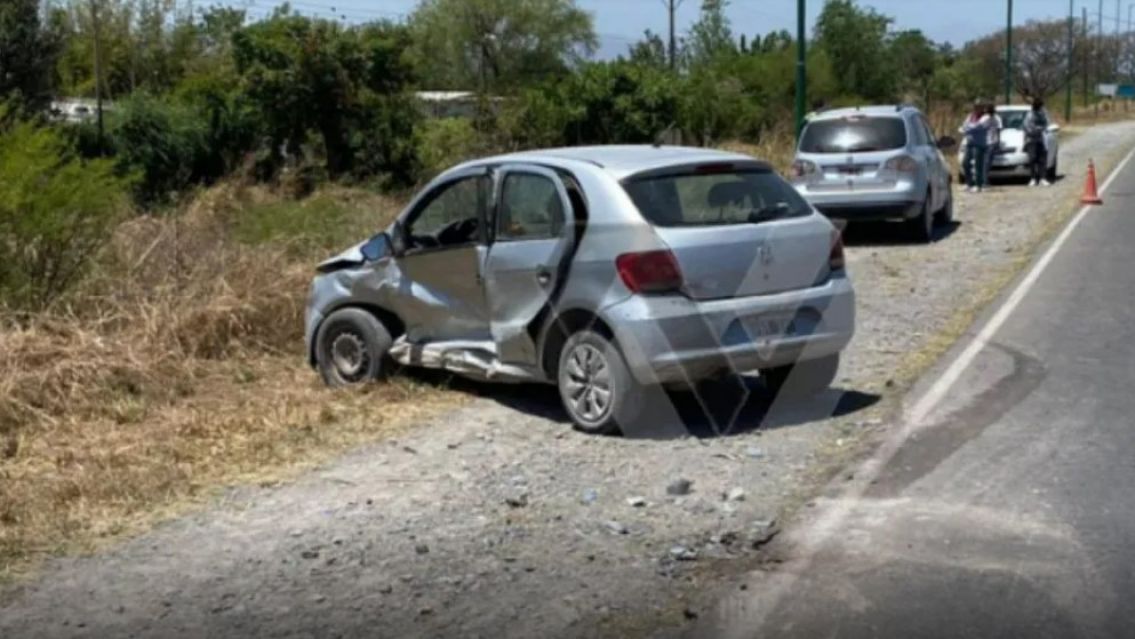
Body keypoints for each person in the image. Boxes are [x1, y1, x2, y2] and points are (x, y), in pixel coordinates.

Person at [959, 100, 991, 192]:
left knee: (978, 165)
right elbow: (964, 125)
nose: (977, 109)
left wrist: (966, 128)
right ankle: (969, 183)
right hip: (969, 143)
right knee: (965, 163)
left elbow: (978, 126)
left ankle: (978, 185)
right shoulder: (970, 116)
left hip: (979, 144)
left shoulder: (986, 117)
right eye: (976, 106)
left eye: (979, 107)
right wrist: (967, 127)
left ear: (982, 108)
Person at [1023, 98, 1051, 187]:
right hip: (1032, 140)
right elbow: (1027, 127)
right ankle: (1033, 178)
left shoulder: (1043, 114)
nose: (1042, 108)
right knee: (1032, 159)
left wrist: (1042, 128)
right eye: (1040, 106)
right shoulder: (1030, 115)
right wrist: (1037, 130)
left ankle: (1043, 178)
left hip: (1042, 139)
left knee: (1042, 159)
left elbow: (1047, 124)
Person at [982, 102, 1003, 189]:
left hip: (992, 142)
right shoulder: (984, 118)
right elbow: (980, 129)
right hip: (986, 142)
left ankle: (985, 180)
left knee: (988, 163)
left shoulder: (997, 118)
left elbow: (999, 130)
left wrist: (998, 141)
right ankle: (984, 181)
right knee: (986, 162)